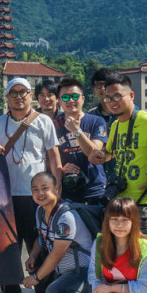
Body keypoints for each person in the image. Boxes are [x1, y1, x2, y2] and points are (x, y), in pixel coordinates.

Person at [0, 77, 62, 293]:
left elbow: (53, 156)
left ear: (31, 96)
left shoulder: (44, 121)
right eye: (14, 93)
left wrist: (58, 188)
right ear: (6, 97)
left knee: (39, 244)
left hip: (37, 195)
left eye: (24, 92)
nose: (19, 96)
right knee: (7, 248)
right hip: (6, 195)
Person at [91, 73, 147, 233]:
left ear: (132, 95)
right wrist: (101, 156)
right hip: (119, 201)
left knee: (142, 253)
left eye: (117, 96)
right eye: (108, 98)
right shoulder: (116, 125)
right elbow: (111, 153)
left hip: (143, 203)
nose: (112, 102)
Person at [23, 172, 94, 293]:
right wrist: (33, 255)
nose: (40, 193)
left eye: (45, 188)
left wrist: (36, 278)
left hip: (83, 272)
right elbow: (41, 237)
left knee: (54, 292)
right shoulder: (40, 211)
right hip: (64, 274)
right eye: (35, 189)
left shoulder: (66, 217)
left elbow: (56, 255)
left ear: (57, 189)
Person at [53, 77, 109, 209]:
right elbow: (47, 159)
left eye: (75, 96)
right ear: (59, 101)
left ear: (82, 99)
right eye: (65, 97)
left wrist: (76, 131)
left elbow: (94, 153)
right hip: (67, 192)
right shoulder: (53, 126)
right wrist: (62, 169)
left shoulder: (97, 121)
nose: (71, 100)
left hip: (94, 191)